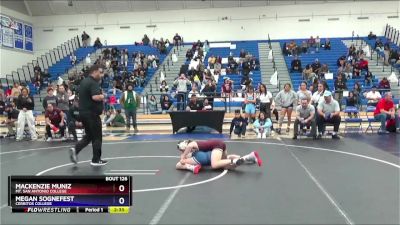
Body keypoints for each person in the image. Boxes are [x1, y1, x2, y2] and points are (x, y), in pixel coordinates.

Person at [70, 65, 107, 166]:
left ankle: (76, 149)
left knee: (90, 136)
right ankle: (96, 160)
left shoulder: (84, 82)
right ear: (94, 72)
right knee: (97, 137)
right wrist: (103, 96)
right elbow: (95, 97)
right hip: (92, 114)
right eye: (99, 73)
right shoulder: (93, 82)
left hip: (84, 113)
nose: (101, 75)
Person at [175, 140, 262, 174]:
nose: (183, 152)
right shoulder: (194, 148)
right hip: (219, 146)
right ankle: (248, 157)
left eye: (182, 150)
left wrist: (183, 156)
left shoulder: (192, 144)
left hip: (217, 145)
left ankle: (235, 160)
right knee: (228, 165)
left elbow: (189, 147)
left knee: (215, 164)